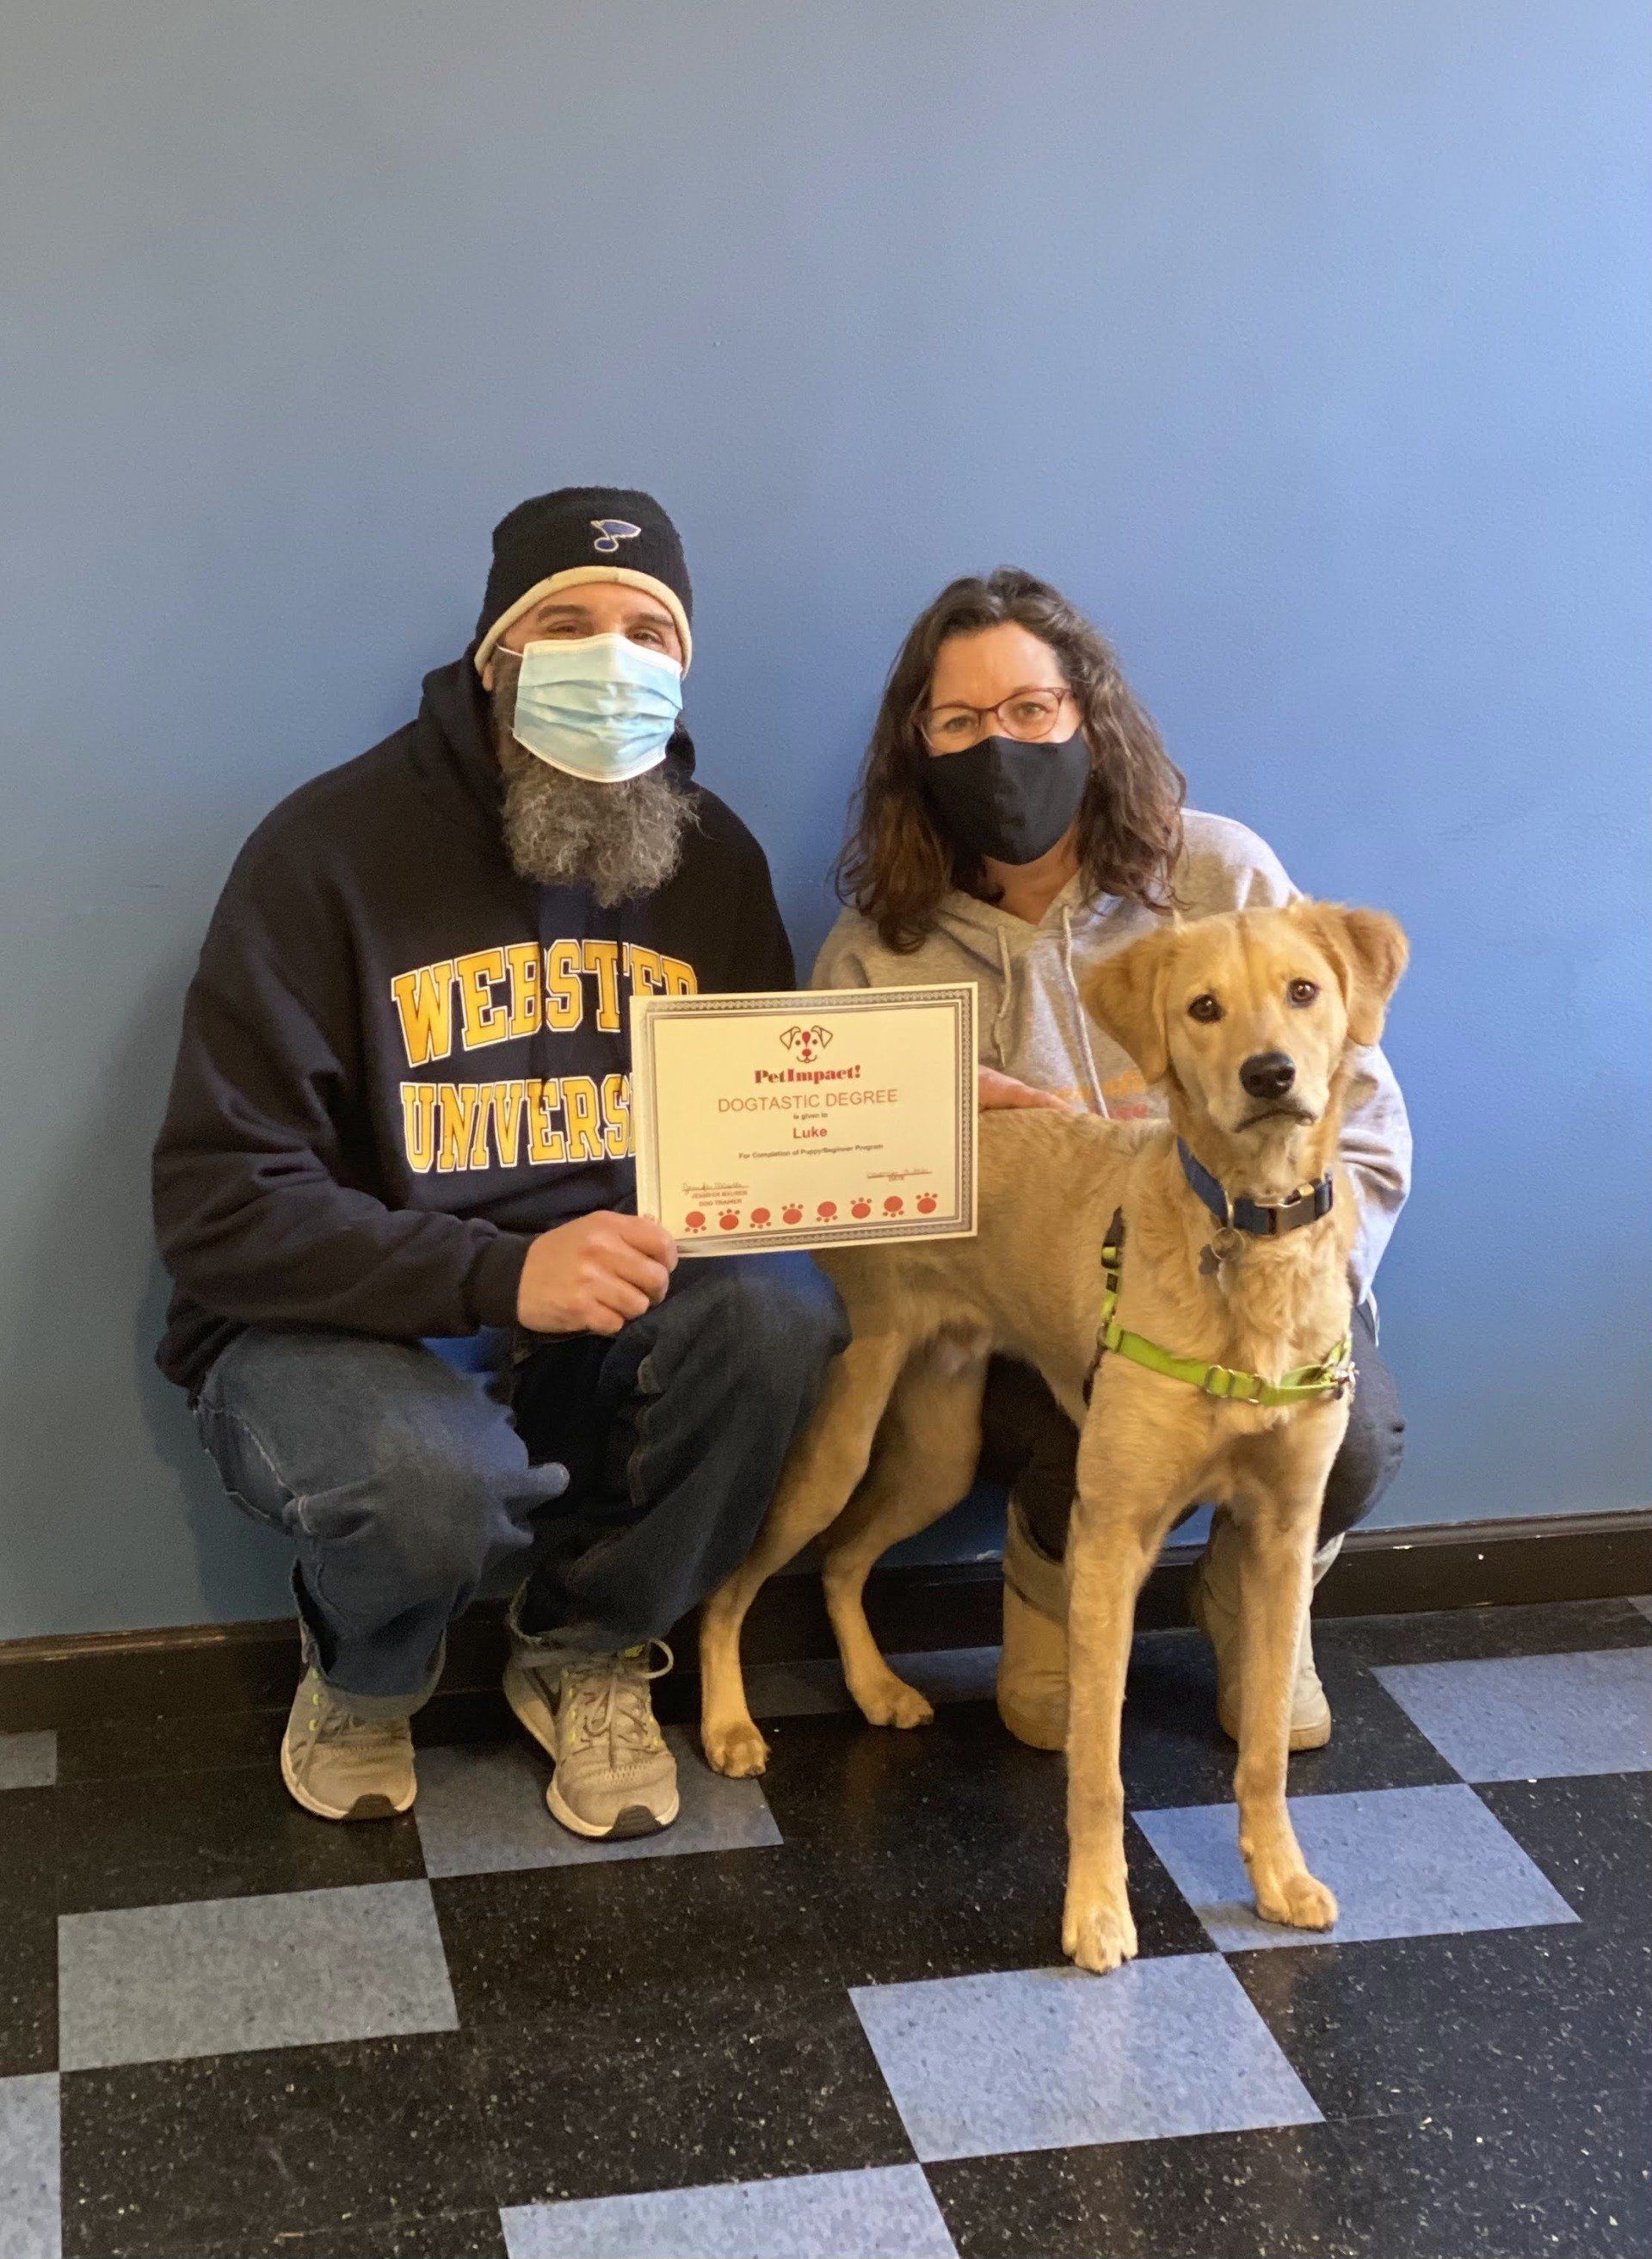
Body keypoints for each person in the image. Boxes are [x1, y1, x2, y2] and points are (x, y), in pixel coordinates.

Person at [152, 487, 846, 1838]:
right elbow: (219, 1203)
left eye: (650, 629)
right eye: (566, 625)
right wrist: (496, 1270)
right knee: (427, 1482)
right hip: (335, 1327)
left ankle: (585, 1645)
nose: (613, 657)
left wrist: (924, 1116)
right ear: (493, 660)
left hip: (607, 1323)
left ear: (686, 665)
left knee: (783, 1316)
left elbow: (763, 1139)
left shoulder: (715, 866)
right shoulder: (327, 853)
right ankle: (364, 1674)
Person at [814, 568, 1409, 1753]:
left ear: (1088, 714)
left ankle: (1251, 1605)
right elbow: (827, 1153)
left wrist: (1305, 1287)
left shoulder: (1221, 875)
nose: (1003, 746)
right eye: (961, 721)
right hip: (1047, 1322)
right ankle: (1049, 1586)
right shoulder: (879, 946)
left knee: (1361, 1430)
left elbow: (1368, 1119)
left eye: (1033, 709)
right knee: (1080, 1432)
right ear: (915, 748)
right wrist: (927, 1103)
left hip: (1267, 1287)